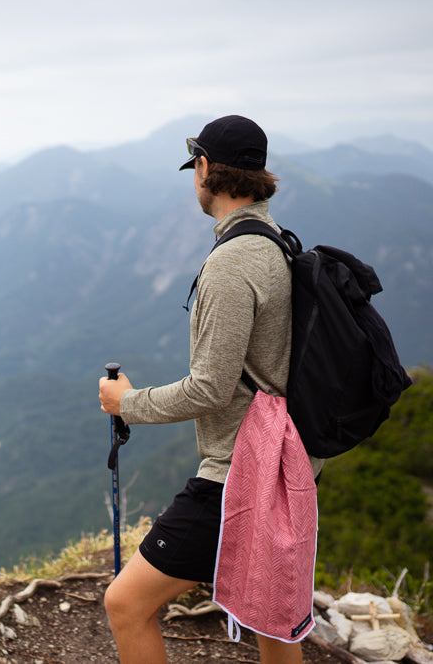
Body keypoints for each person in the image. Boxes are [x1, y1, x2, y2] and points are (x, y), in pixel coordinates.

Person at [98, 114, 324, 664]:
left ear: (204, 169)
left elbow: (210, 390)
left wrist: (126, 403)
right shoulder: (277, 243)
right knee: (273, 620)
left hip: (239, 473)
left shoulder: (233, 262)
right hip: (287, 460)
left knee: (125, 604)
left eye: (193, 168)